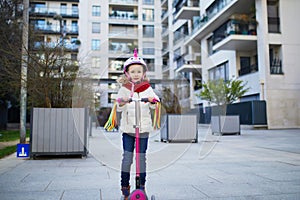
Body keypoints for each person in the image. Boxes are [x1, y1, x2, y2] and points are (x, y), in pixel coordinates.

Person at [116, 49, 159, 200]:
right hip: (128, 130)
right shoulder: (124, 89)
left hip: (143, 130)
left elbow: (155, 103)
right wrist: (123, 101)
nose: (136, 74)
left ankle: (141, 188)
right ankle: (125, 189)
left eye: (138, 71)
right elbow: (119, 106)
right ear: (127, 73)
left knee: (141, 159)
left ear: (143, 73)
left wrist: (153, 100)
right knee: (127, 158)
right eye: (132, 71)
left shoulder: (147, 88)